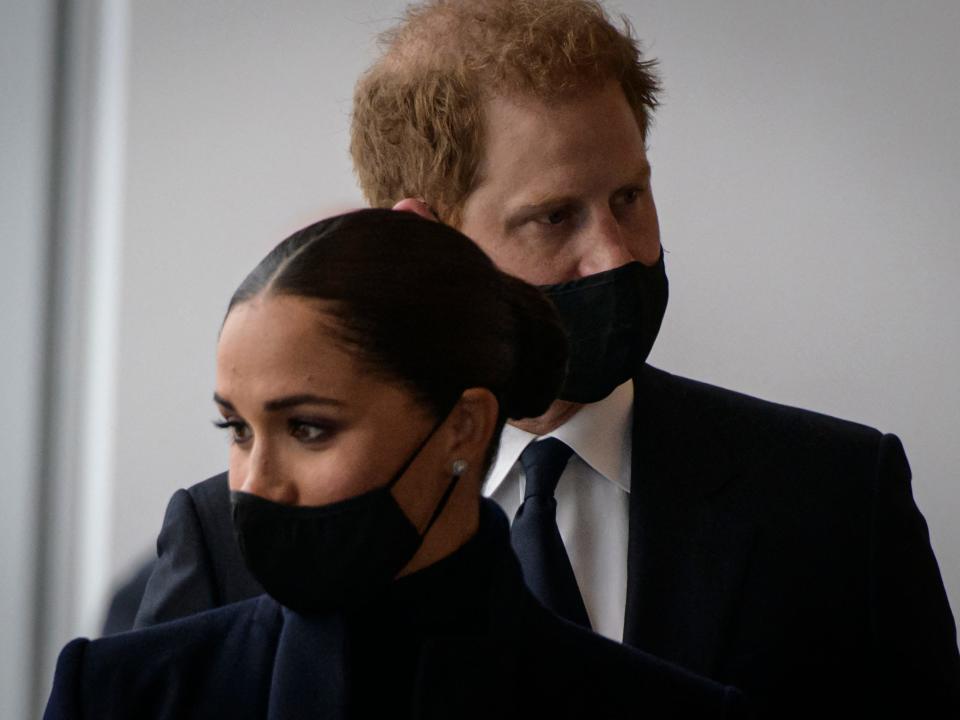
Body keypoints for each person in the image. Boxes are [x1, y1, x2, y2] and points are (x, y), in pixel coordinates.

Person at [133, 1, 960, 716]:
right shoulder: (232, 539)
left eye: (629, 198)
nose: (615, 256)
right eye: (554, 218)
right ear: (427, 240)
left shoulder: (836, 498)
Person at [45, 209, 746, 719]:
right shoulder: (118, 693)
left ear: (462, 427)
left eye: (309, 428)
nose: (255, 483)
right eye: (236, 429)